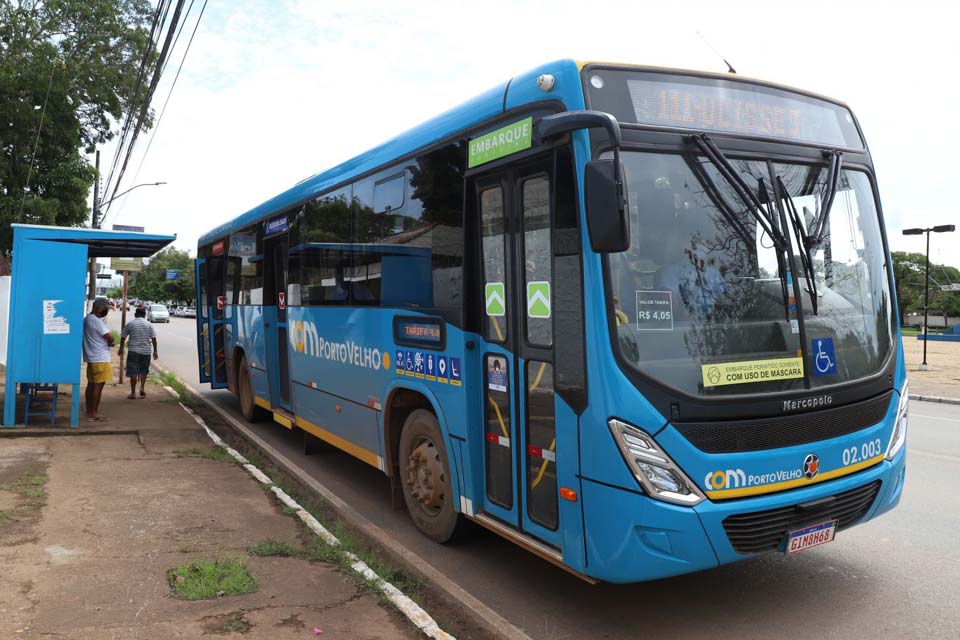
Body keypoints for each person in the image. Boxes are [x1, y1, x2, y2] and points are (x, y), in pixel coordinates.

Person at [83, 298, 114, 422]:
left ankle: (89, 411)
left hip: (92, 357)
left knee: (91, 385)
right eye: (105, 309)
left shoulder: (87, 319)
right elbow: (109, 336)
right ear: (98, 308)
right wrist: (111, 342)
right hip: (100, 358)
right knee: (98, 386)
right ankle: (93, 413)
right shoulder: (96, 321)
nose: (107, 311)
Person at [118, 307, 158, 399]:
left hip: (133, 351)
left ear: (135, 314)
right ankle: (142, 388)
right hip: (146, 352)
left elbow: (123, 337)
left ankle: (132, 393)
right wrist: (155, 351)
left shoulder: (130, 324)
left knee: (133, 372)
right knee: (144, 371)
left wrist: (121, 348)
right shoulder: (149, 325)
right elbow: (154, 338)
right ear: (144, 315)